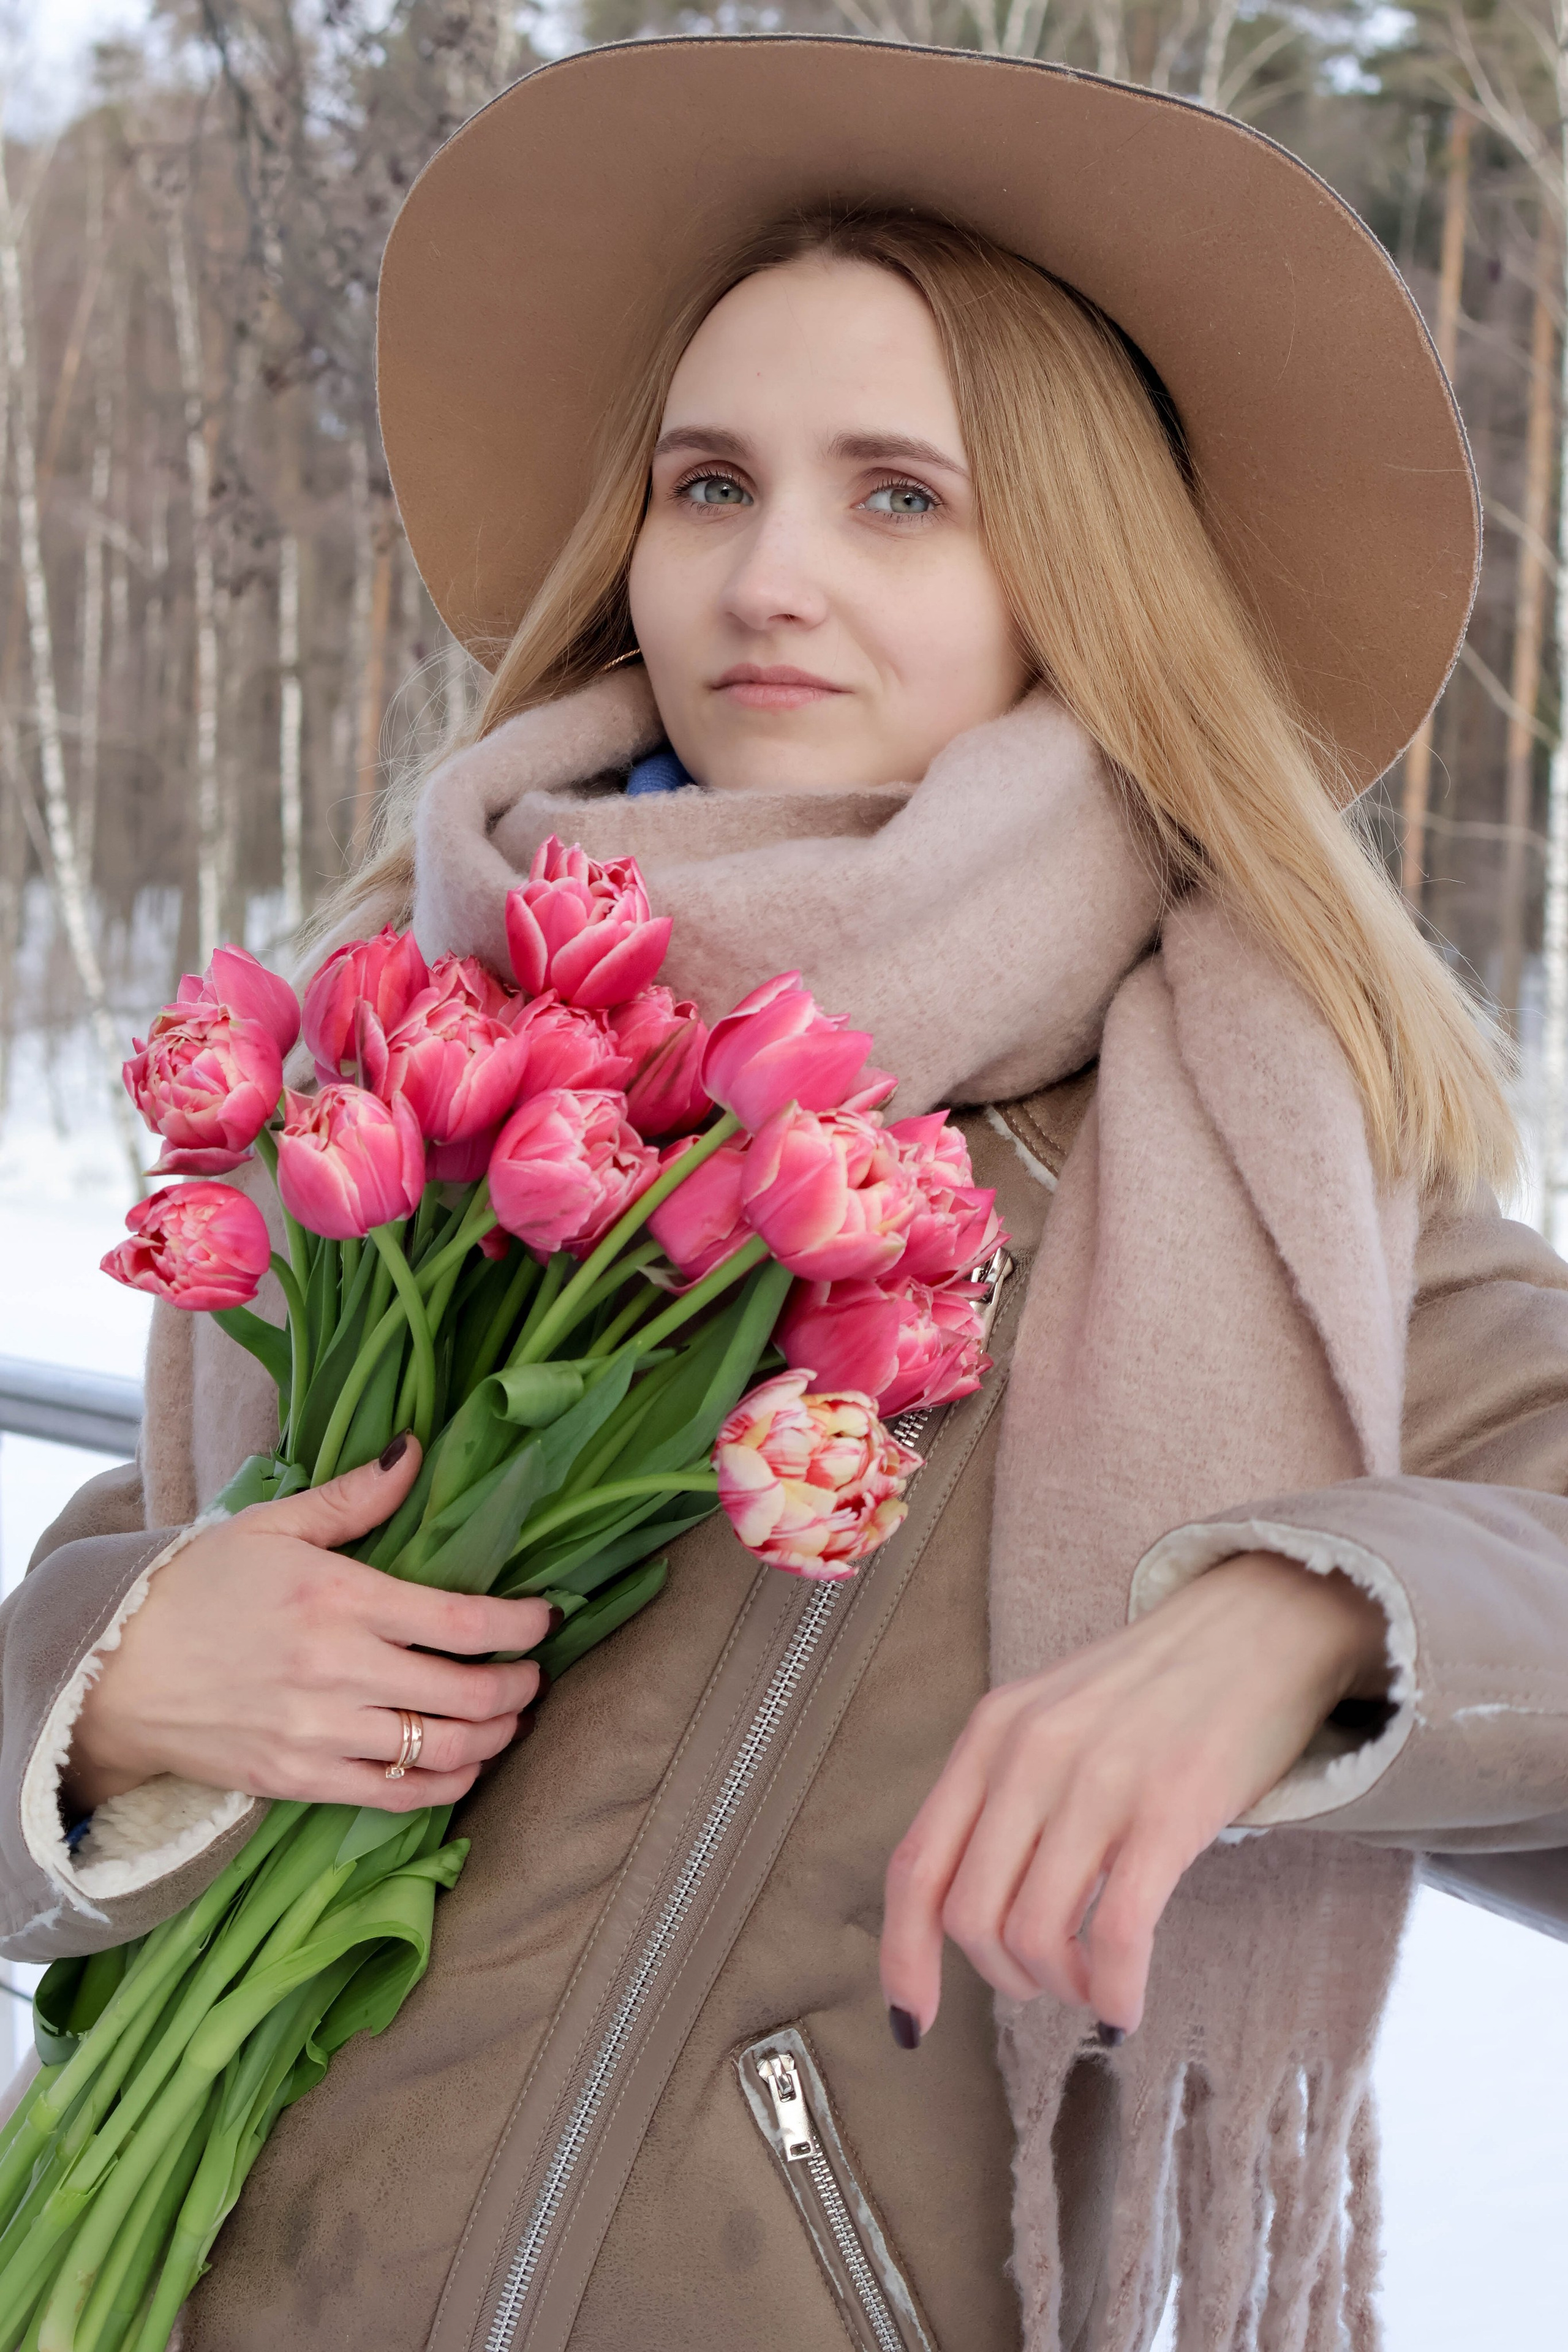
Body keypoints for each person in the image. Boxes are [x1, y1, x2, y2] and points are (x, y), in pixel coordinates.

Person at [6, 38, 1568, 2352]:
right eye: (712, 480)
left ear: (1082, 571)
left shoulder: (1261, 1146)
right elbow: (115, 1600)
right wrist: (114, 1692)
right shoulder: (417, 1051)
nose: (770, 575)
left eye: (902, 497)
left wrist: (1318, 1616)